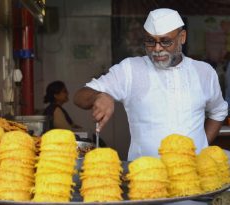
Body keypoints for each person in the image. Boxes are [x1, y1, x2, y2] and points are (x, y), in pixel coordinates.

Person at [73, 8, 228, 161]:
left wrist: (202, 146)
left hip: (192, 176)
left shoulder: (204, 72)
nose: (157, 48)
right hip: (145, 178)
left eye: (166, 41)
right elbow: (80, 96)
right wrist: (99, 95)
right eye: (150, 41)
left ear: (182, 37)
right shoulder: (130, 70)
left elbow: (218, 111)